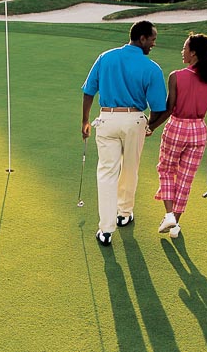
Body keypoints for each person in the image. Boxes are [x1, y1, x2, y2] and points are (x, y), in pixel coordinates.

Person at [81, 20, 167, 246]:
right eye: (152, 39)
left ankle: (105, 230)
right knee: (130, 169)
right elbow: (159, 107)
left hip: (106, 119)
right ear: (142, 38)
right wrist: (150, 126)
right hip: (134, 120)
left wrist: (85, 120)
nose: (153, 44)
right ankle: (124, 214)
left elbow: (89, 91)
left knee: (106, 173)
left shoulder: (105, 57)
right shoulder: (152, 68)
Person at [148, 33, 207, 238]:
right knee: (185, 179)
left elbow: (169, 109)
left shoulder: (176, 76)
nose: (182, 51)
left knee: (166, 169)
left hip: (177, 128)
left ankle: (169, 215)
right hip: (199, 131)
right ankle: (175, 225)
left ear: (194, 53)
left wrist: (151, 126)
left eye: (185, 48)